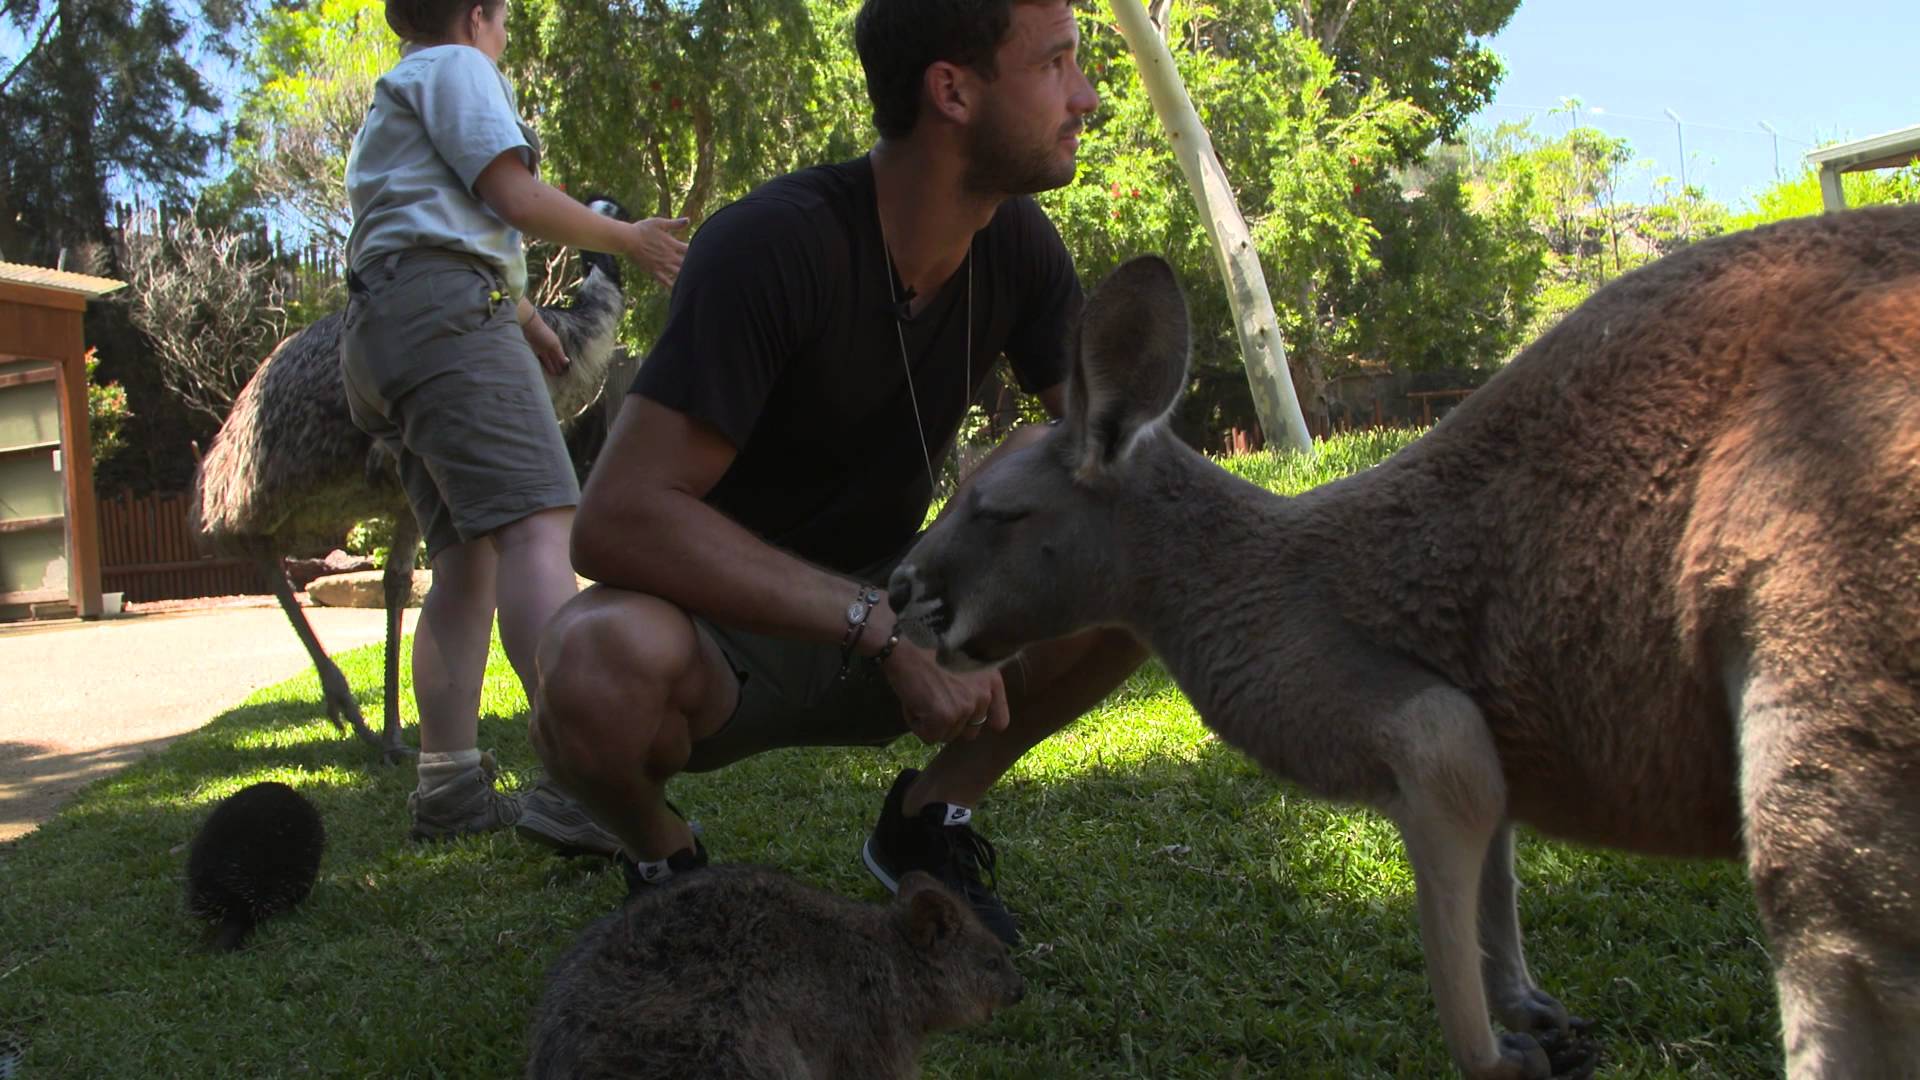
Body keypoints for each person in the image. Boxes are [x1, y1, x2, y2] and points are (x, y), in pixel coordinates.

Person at [531, 0, 1146, 945]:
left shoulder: (1016, 242)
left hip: (910, 593)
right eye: (1056, 64)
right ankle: (668, 861)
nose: (1087, 96)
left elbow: (1113, 455)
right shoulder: (774, 245)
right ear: (953, 89)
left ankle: (926, 822)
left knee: (1125, 520)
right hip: (724, 636)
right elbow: (613, 521)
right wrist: (876, 630)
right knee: (589, 665)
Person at [341, 0, 688, 849]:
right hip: (447, 315)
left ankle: (449, 787)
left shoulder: (396, 97)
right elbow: (513, 196)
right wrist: (628, 238)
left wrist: (531, 327)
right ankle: (585, 781)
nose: (504, 42)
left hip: (382, 333)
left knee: (465, 561)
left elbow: (449, 228)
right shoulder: (458, 68)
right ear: (476, 16)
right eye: (503, 24)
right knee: (541, 530)